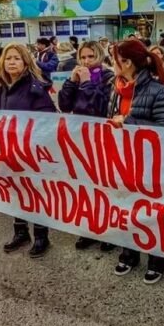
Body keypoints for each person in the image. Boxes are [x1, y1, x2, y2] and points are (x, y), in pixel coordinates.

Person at [0, 43, 56, 258]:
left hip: (28, 152)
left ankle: (41, 235)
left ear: (25, 62)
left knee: (34, 193)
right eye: (8, 58)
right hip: (5, 151)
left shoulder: (35, 87)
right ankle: (20, 231)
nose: (11, 62)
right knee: (14, 192)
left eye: (16, 58)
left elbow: (48, 120)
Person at [109, 39, 164, 283]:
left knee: (151, 213)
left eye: (117, 60)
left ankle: (156, 261)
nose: (113, 64)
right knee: (125, 210)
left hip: (148, 163)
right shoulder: (115, 88)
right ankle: (129, 254)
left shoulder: (158, 91)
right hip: (121, 159)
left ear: (127, 63)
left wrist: (129, 122)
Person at [59, 40, 117, 251]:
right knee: (84, 187)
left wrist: (86, 83)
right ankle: (90, 228)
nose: (86, 61)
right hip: (80, 138)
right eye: (83, 57)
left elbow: (99, 107)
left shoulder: (108, 77)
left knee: (104, 187)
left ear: (99, 56)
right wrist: (71, 82)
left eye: (91, 56)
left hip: (102, 139)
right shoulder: (78, 76)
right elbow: (64, 105)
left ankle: (109, 232)